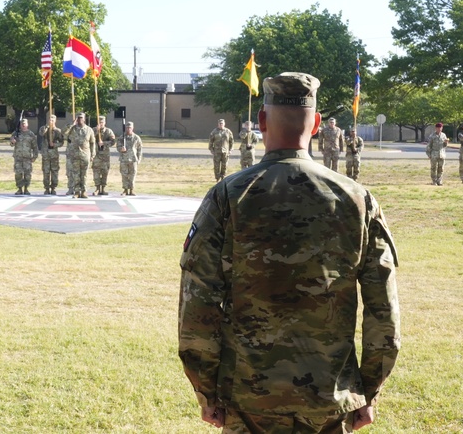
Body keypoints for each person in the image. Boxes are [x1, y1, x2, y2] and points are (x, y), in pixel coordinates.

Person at [179, 72, 400, 433]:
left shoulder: (227, 197)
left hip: (248, 400)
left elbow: (198, 306)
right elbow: (383, 314)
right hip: (329, 398)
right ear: (315, 126)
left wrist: (207, 393)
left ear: (262, 121)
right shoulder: (358, 200)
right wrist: (367, 391)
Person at [64, 112, 96, 198]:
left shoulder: (89, 130)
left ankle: (84, 191)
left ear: (84, 119)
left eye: (81, 118)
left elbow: (92, 143)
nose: (79, 119)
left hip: (85, 155)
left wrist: (93, 154)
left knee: (84, 174)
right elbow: (64, 135)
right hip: (74, 155)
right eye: (78, 118)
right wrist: (71, 125)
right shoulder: (72, 129)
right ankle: (77, 192)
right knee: (76, 174)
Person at [10, 118, 39, 195]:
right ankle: (19, 189)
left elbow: (35, 147)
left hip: (27, 158)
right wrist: (13, 141)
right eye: (22, 124)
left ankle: (26, 189)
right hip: (18, 157)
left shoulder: (31, 134)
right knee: (18, 173)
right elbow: (11, 144)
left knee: (27, 174)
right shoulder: (16, 133)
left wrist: (34, 156)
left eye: (25, 123)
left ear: (27, 124)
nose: (23, 125)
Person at [38, 114, 65, 195]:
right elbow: (41, 133)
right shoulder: (44, 128)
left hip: (54, 155)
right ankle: (46, 188)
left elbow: (61, 143)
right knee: (46, 172)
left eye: (53, 120)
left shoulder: (58, 131)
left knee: (54, 171)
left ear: (55, 121)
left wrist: (54, 144)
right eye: (50, 120)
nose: (51, 121)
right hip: (46, 155)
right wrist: (47, 126)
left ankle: (53, 187)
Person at [116, 121, 143, 196]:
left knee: (132, 175)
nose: (128, 129)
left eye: (130, 127)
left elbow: (139, 149)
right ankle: (125, 189)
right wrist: (121, 149)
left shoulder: (136, 138)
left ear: (133, 128)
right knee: (124, 175)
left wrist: (139, 159)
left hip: (133, 159)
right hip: (123, 159)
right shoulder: (122, 137)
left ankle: (131, 189)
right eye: (127, 127)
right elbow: (117, 147)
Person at [92, 115, 117, 195]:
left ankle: (103, 188)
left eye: (102, 122)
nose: (101, 124)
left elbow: (113, 142)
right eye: (99, 122)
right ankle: (97, 188)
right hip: (96, 154)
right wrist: (96, 131)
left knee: (105, 172)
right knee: (96, 171)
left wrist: (104, 143)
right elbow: (90, 139)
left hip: (105, 156)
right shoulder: (93, 130)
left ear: (105, 123)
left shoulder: (108, 131)